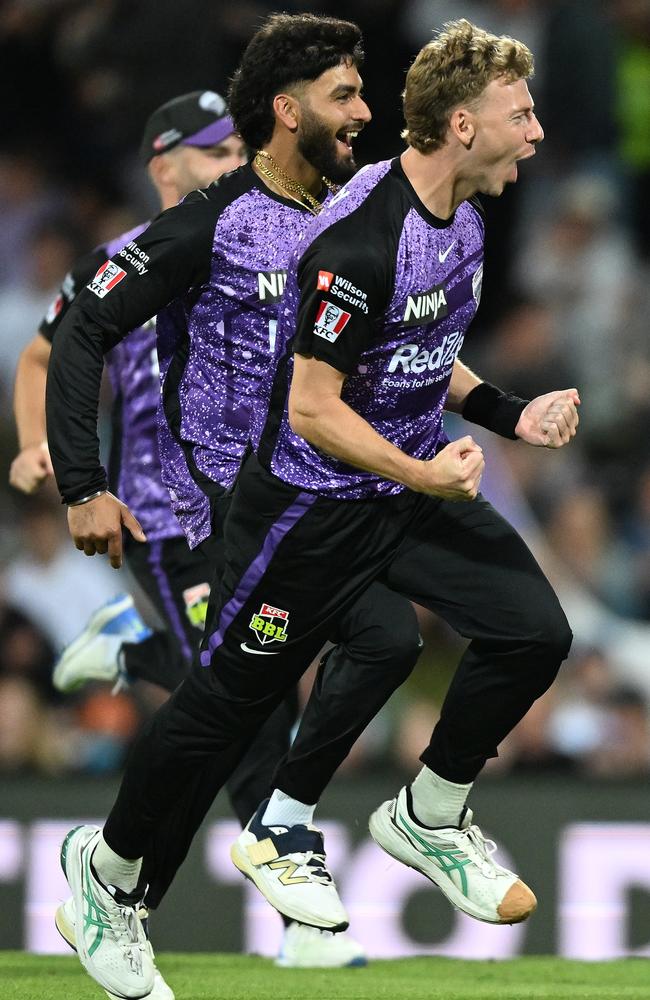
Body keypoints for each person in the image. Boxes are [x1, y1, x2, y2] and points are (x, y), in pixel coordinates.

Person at [45, 15, 426, 996]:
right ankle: (134, 886)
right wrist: (77, 479)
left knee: (376, 640)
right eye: (343, 97)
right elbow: (68, 334)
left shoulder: (338, 219)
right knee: (237, 709)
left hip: (293, 511)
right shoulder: (190, 228)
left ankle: (159, 844)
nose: (362, 115)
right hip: (180, 515)